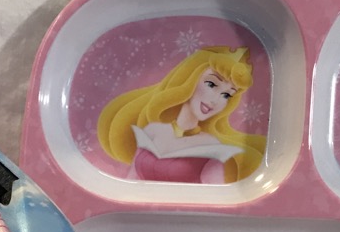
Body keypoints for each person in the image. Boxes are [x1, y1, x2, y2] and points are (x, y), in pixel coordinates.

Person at [98, 46, 266, 184]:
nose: (216, 100)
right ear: (188, 78)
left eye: (226, 95)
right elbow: (131, 181)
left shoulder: (211, 147)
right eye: (211, 84)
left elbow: (211, 199)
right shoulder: (153, 131)